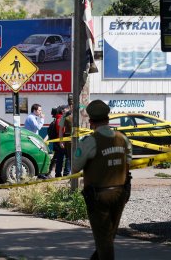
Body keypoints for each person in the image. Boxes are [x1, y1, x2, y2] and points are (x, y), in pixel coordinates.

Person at [72, 100, 132, 260]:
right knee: (108, 237)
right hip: (120, 192)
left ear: (91, 122)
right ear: (108, 118)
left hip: (98, 196)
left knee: (104, 241)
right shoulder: (123, 138)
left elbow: (75, 167)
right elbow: (128, 162)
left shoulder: (90, 141)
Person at [55, 105, 71, 177]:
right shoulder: (64, 116)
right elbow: (61, 129)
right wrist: (61, 141)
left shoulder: (80, 114)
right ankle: (67, 174)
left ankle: (68, 174)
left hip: (78, 139)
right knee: (68, 158)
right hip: (68, 139)